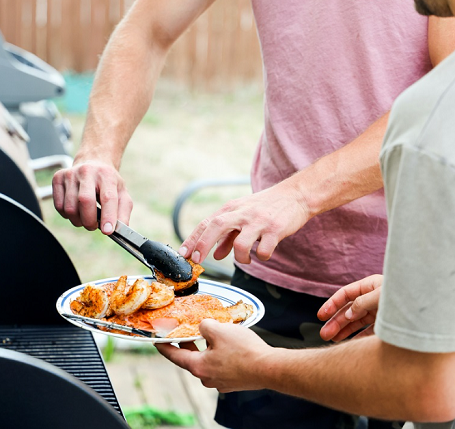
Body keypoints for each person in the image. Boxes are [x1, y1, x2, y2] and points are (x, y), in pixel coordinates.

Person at [52, 1, 455, 428]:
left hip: (409, 276)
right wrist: (97, 153)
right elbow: (149, 27)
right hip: (276, 267)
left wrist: (299, 196)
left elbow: (442, 101)